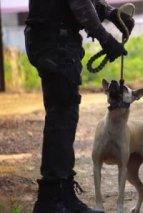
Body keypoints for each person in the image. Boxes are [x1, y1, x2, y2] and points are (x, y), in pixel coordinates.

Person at [24, 0, 134, 212]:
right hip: (56, 42)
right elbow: (79, 3)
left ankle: (60, 194)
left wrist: (111, 14)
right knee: (62, 119)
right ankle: (54, 199)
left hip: (52, 39)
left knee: (61, 117)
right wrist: (106, 39)